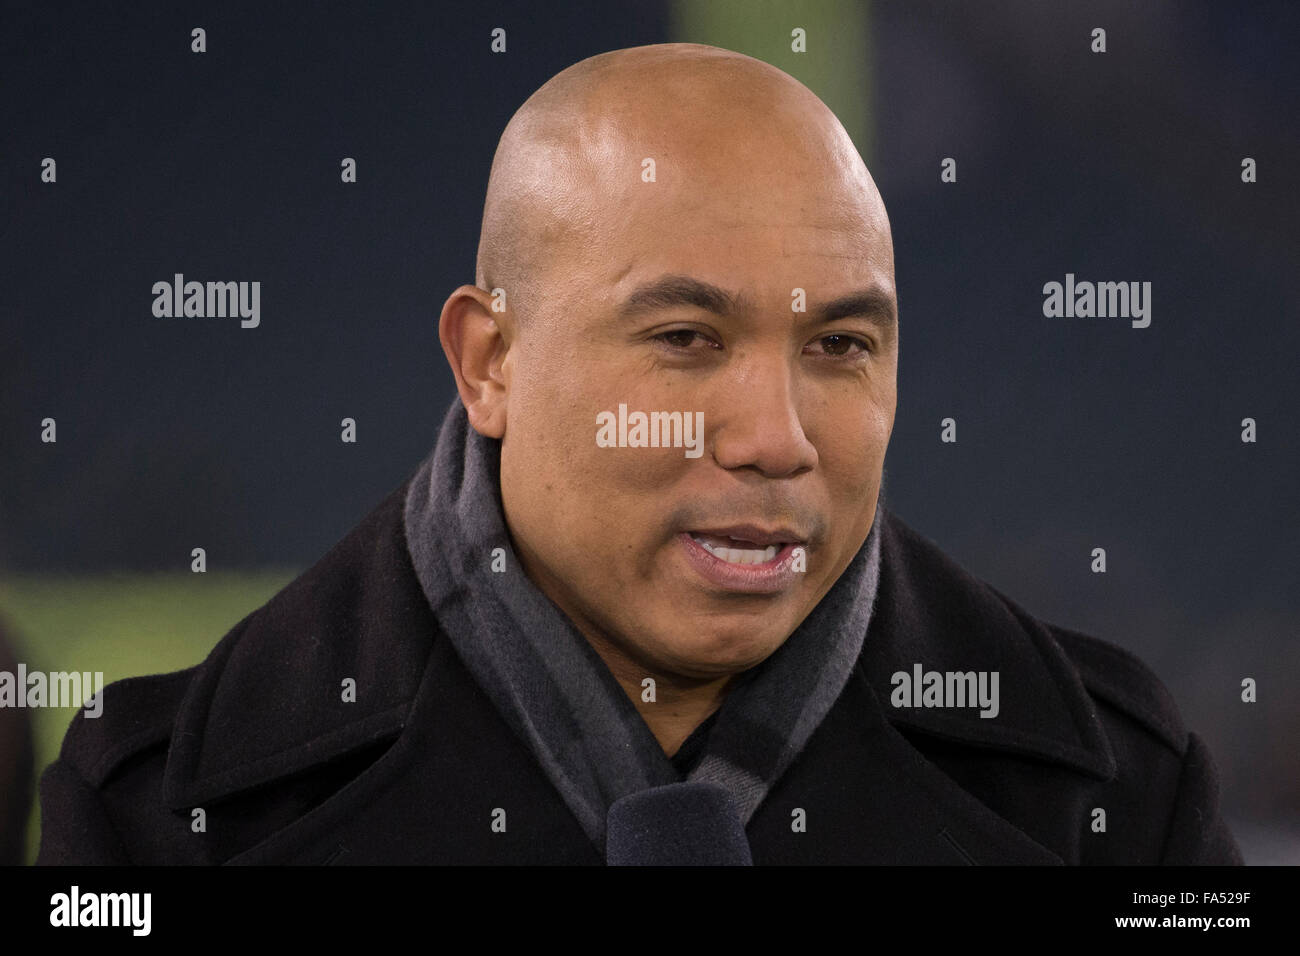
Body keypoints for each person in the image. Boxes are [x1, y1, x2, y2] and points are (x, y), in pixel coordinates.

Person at [36, 42, 1241, 865]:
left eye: (838, 343)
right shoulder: (162, 812)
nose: (776, 439)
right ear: (488, 362)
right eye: (683, 336)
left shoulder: (1117, 799)